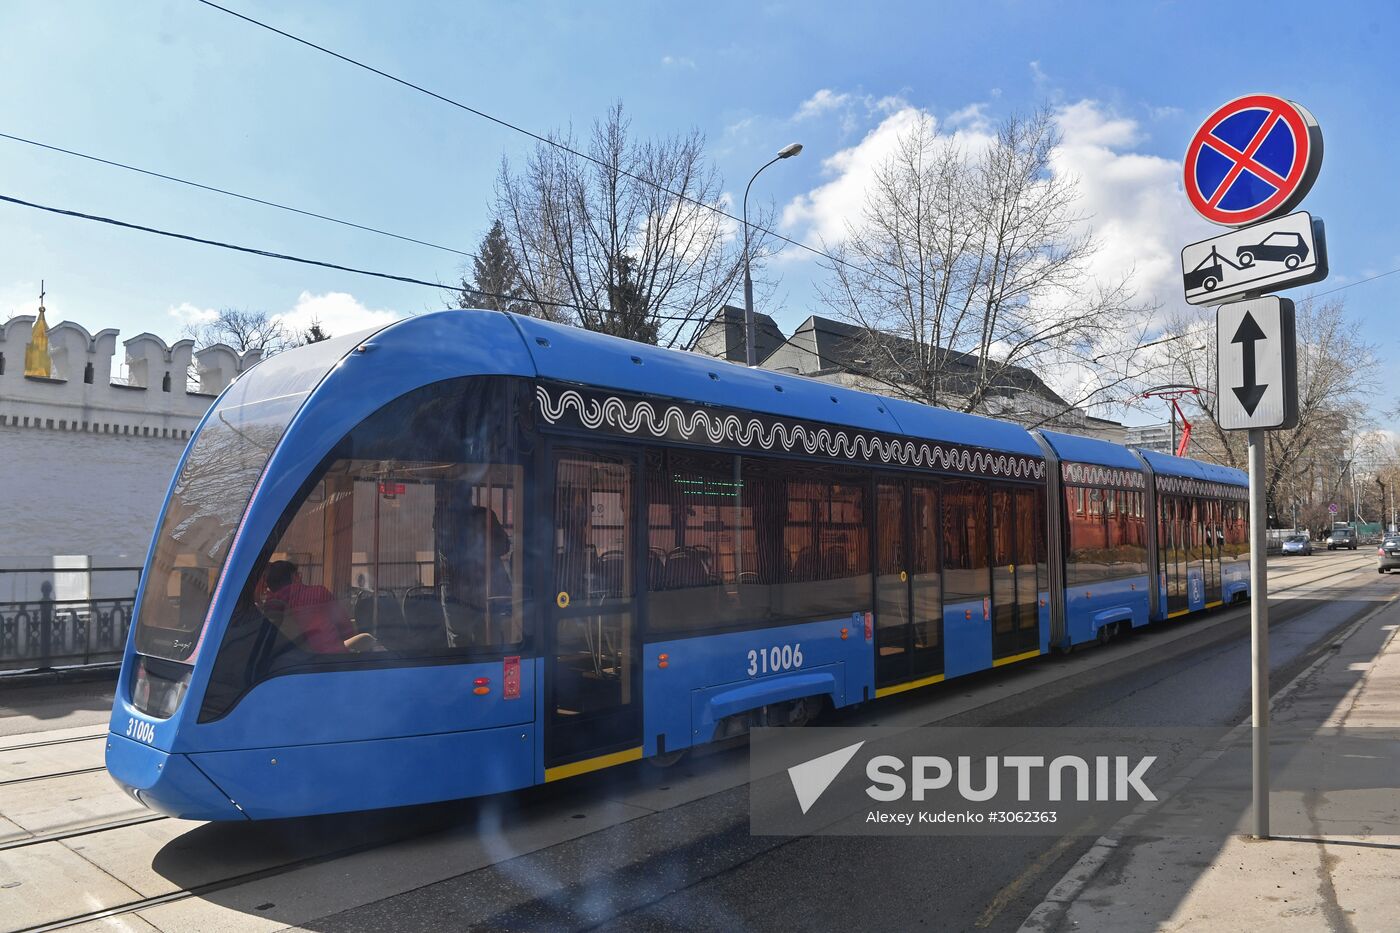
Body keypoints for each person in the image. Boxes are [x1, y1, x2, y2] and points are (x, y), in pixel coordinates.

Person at [260, 560, 378, 653]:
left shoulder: (270, 606)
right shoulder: (318, 593)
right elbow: (344, 626)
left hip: (290, 666)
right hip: (329, 660)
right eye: (298, 575)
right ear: (294, 577)